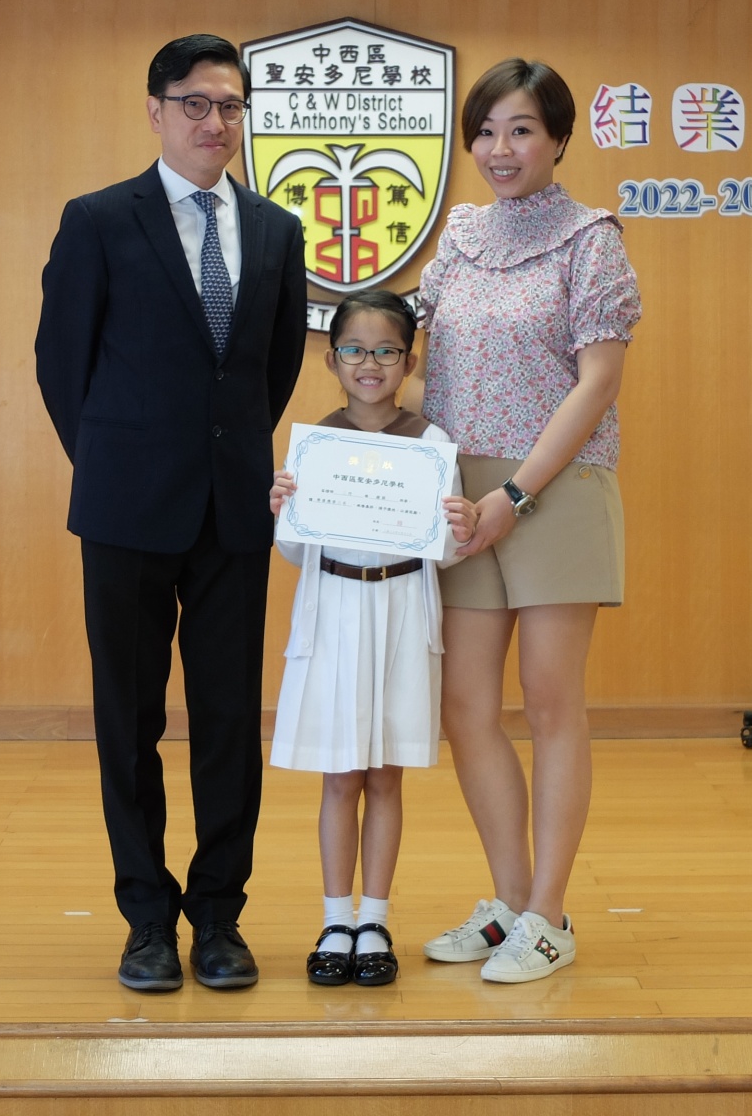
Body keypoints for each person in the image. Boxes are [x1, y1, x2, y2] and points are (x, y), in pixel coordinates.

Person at [35, 34, 308, 993]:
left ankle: (220, 918)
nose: (214, 122)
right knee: (129, 719)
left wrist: (223, 455)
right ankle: (146, 919)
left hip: (235, 512)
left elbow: (274, 369)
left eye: (230, 105)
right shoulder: (98, 220)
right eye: (195, 103)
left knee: (230, 719)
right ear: (156, 111)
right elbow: (61, 364)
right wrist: (122, 460)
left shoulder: (275, 230)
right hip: (125, 510)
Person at [415, 58, 642, 984]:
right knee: (466, 706)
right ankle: (510, 903)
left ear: (557, 139)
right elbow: (413, 358)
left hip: (553, 487)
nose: (499, 149)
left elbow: (598, 382)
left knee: (550, 700)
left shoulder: (592, 240)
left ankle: (550, 914)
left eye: (520, 131)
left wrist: (515, 497)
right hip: (459, 493)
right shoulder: (460, 236)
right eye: (485, 132)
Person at [267, 290, 478, 987]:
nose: (370, 363)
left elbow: (444, 555)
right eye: (354, 349)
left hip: (401, 609)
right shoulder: (315, 444)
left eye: (387, 351)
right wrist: (284, 508)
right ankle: (336, 919)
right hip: (333, 611)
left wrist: (458, 524)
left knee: (385, 776)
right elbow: (296, 551)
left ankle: (375, 920)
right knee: (339, 778)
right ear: (331, 360)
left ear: (409, 361)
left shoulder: (432, 443)